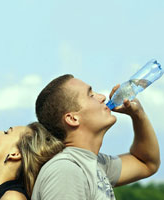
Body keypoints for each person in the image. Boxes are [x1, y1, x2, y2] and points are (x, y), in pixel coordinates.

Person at [32, 74, 161, 200]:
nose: (102, 97)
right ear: (72, 118)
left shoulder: (94, 163)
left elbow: (147, 163)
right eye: (91, 95)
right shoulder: (66, 171)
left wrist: (138, 114)